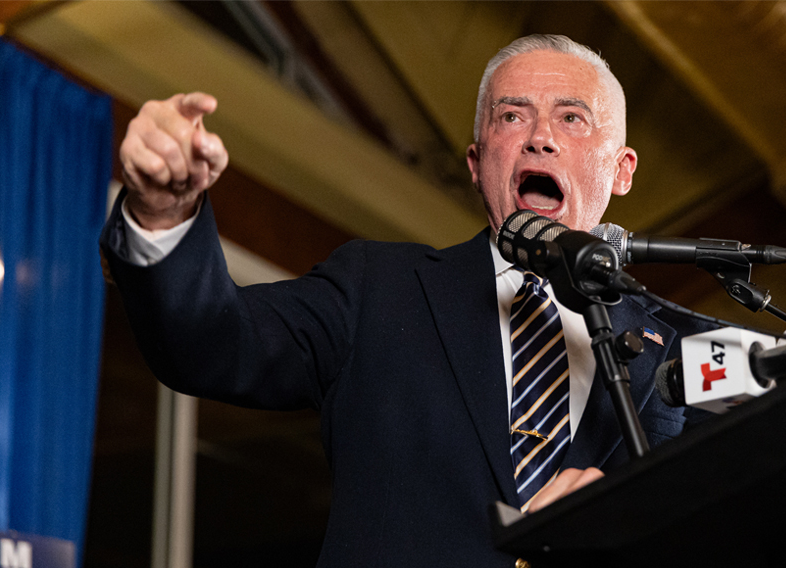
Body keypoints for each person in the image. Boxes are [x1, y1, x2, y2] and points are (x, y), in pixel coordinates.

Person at [101, 34, 713, 567]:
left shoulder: (677, 349)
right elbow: (211, 341)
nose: (540, 139)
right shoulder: (377, 289)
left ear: (622, 169)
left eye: (572, 118)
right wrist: (163, 214)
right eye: (511, 116)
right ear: (477, 164)